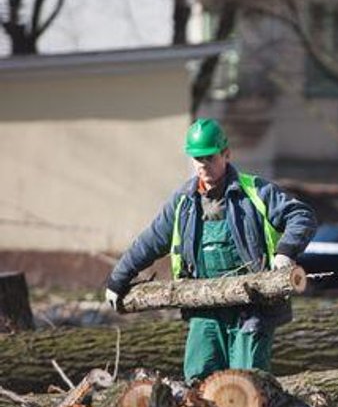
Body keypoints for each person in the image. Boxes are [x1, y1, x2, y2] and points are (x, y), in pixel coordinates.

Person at [105, 118, 317, 383]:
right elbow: (151, 240)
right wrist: (118, 278)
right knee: (198, 380)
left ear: (226, 154)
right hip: (203, 305)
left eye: (209, 157)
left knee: (247, 383)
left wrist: (286, 252)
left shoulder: (256, 191)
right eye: (197, 158)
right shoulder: (183, 201)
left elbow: (302, 216)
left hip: (252, 307)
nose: (203, 164)